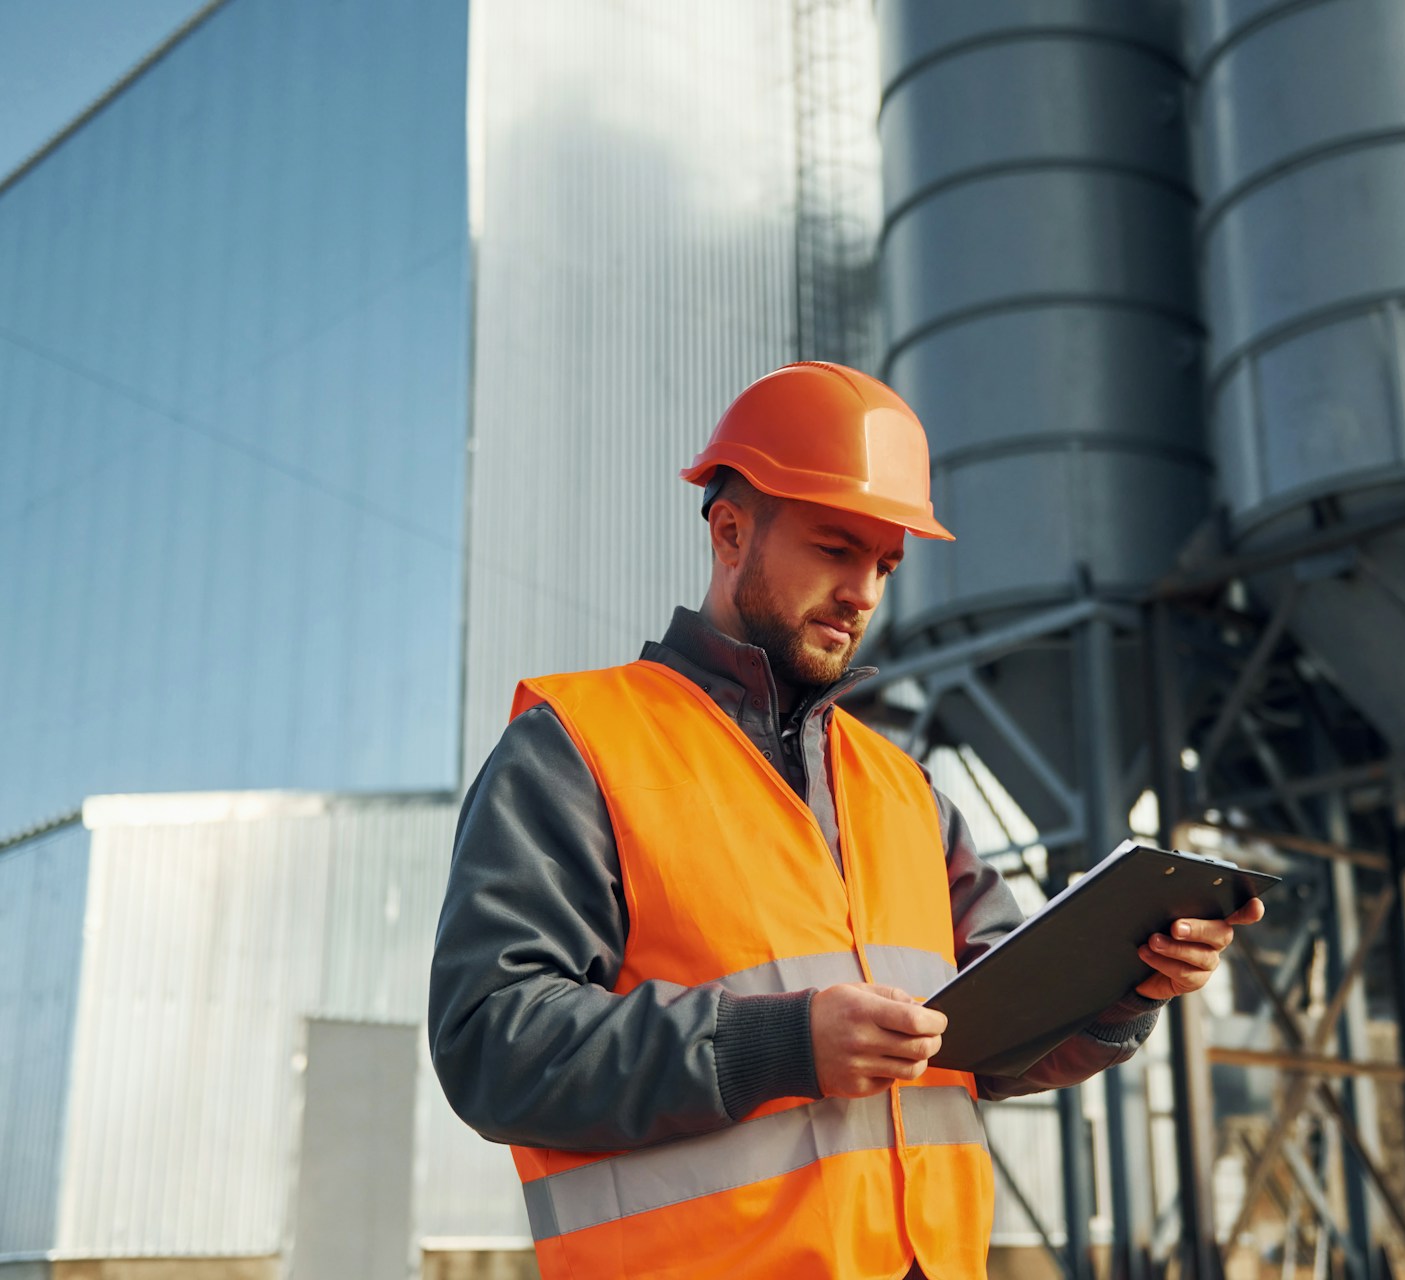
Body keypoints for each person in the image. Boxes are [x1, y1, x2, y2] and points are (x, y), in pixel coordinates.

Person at [428, 361, 1262, 1278]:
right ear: (732, 531)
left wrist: (1124, 985)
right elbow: (493, 1044)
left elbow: (987, 1045)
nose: (865, 591)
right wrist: (783, 1045)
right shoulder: (578, 747)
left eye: (886, 564)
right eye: (836, 548)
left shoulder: (903, 792)